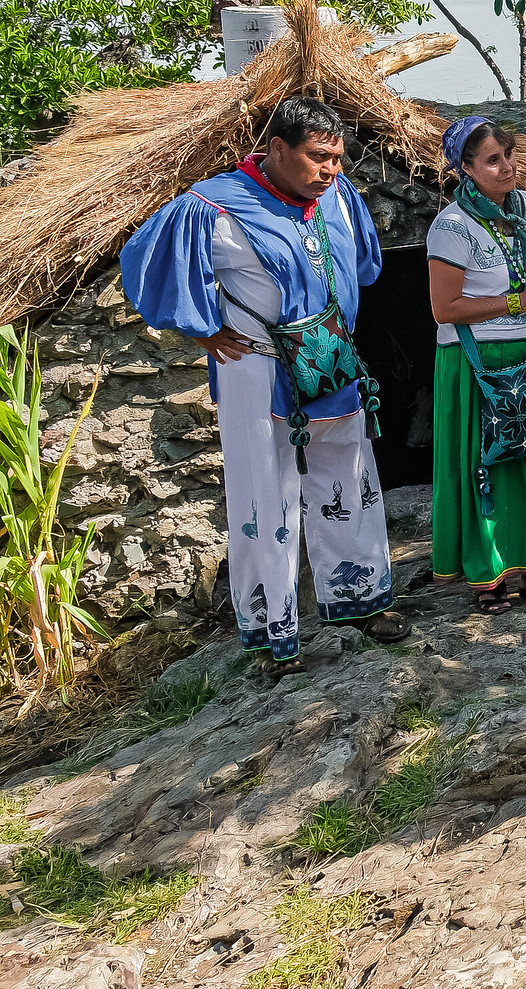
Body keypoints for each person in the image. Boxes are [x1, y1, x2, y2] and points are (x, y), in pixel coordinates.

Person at [121, 97, 408, 677]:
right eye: (317, 157)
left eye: (337, 157)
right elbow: (144, 264)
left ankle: (360, 601)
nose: (331, 169)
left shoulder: (339, 198)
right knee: (264, 493)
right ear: (276, 149)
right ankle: (274, 635)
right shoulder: (210, 206)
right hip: (256, 364)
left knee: (349, 474)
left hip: (330, 356)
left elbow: (365, 267)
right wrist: (202, 331)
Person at [427, 117, 526, 612]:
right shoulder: (451, 227)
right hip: (476, 361)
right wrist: (516, 302)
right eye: (492, 160)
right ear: (466, 169)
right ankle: (489, 577)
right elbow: (444, 308)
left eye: (509, 154)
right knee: (485, 467)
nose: (507, 166)